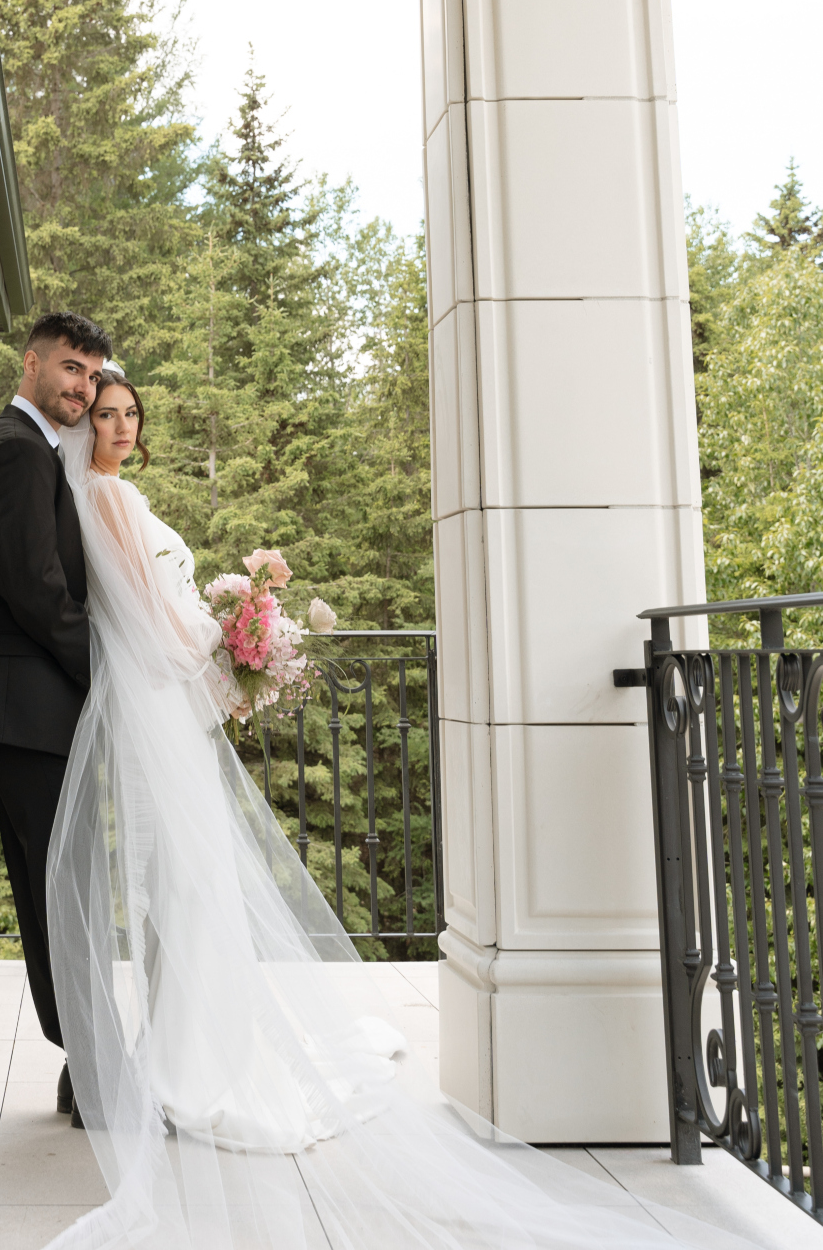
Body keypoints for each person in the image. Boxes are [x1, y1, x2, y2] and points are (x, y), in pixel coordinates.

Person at [40, 367, 757, 1250]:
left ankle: (191, 1050)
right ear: (90, 427)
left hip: (167, 698)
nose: (117, 423)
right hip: (159, 695)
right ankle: (191, 1062)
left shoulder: (122, 489)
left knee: (195, 879)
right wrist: (222, 639)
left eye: (128, 412)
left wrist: (226, 639)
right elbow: (148, 608)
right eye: (105, 413)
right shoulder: (109, 499)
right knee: (188, 879)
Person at [0, 310, 112, 1119]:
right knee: (69, 894)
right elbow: (38, 593)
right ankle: (98, 1077)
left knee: (62, 893)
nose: (83, 385)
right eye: (71, 368)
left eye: (93, 373)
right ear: (32, 363)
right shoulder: (14, 453)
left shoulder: (30, 452)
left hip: (29, 710)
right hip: (25, 707)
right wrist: (111, 677)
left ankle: (84, 1071)